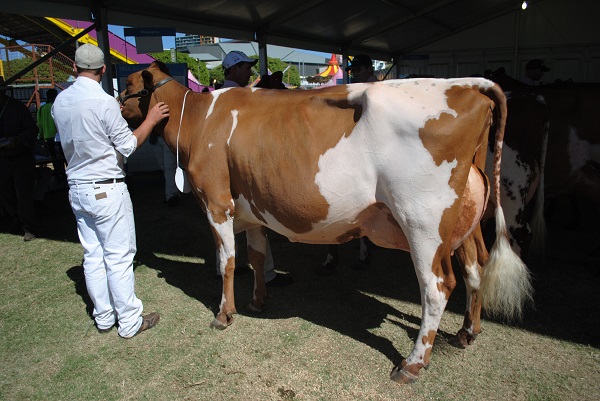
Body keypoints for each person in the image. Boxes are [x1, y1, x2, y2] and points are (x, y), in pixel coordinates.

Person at [51, 44, 170, 338]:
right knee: (119, 256)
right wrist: (151, 119)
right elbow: (128, 146)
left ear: (75, 68)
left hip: (77, 187)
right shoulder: (104, 102)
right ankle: (129, 321)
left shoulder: (59, 102)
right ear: (104, 70)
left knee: (93, 255)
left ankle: (103, 317)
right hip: (106, 188)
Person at [220, 50, 293, 287]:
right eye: (245, 67)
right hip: (241, 167)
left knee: (224, 220)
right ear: (233, 69)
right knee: (253, 222)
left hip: (229, 168)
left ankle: (225, 267)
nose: (249, 71)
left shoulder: (219, 97)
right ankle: (266, 274)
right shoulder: (237, 96)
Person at [0, 76, 38, 241]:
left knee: (23, 194)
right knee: (5, 192)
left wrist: (16, 140)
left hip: (21, 158)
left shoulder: (17, 108)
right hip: (2, 159)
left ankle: (28, 227)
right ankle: (14, 218)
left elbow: (32, 130)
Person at [145, 61, 181, 207]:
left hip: (167, 137)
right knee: (165, 166)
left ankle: (171, 195)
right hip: (157, 136)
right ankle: (172, 193)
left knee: (169, 167)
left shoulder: (172, 90)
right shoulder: (151, 92)